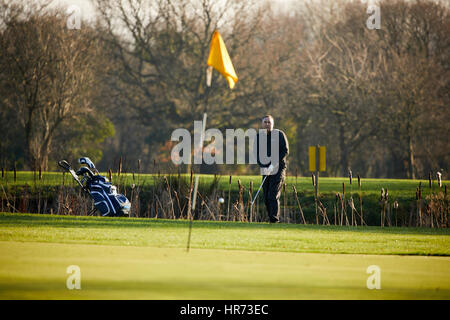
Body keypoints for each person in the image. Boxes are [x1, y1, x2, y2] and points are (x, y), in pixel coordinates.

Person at [255, 115, 289, 223]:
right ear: (262, 124)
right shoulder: (259, 136)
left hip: (278, 169)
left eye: (269, 122)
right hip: (265, 169)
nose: (267, 124)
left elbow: (285, 150)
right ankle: (270, 218)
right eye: (265, 122)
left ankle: (274, 220)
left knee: (273, 195)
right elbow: (256, 153)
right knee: (266, 196)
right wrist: (263, 165)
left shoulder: (279, 134)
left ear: (273, 124)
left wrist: (273, 163)